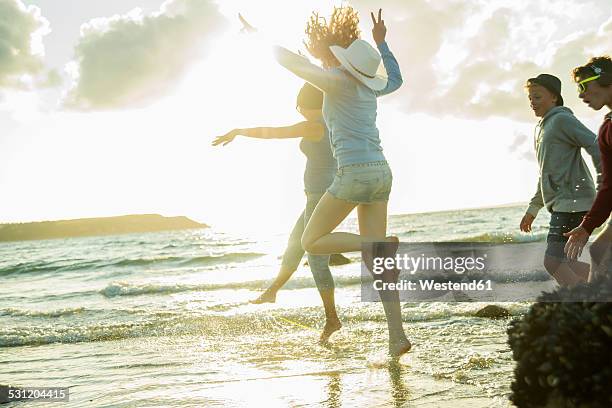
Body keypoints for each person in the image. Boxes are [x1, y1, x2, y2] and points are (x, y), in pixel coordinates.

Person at [273, 7, 411, 357]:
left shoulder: (333, 82)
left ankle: (372, 244)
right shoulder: (370, 87)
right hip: (382, 172)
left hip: (353, 173)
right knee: (379, 264)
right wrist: (382, 44)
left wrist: (260, 39)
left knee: (312, 240)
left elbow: (293, 64)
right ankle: (397, 337)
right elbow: (395, 78)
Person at [212, 83, 342, 343]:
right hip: (319, 195)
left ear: (306, 105)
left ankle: (331, 319)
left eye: (299, 106)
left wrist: (239, 131)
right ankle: (273, 291)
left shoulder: (314, 125)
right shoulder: (333, 120)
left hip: (320, 197)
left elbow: (274, 133)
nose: (299, 111)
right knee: (294, 246)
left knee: (316, 261)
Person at [519, 73, 601, 286]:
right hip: (563, 204)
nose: (532, 103)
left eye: (537, 97)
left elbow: (594, 143)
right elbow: (545, 172)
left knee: (553, 262)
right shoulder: (542, 129)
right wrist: (533, 208)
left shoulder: (562, 120)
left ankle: (586, 304)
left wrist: (604, 179)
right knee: (568, 262)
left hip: (574, 201)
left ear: (554, 97)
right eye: (530, 99)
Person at [564, 57, 612, 281]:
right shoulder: (606, 130)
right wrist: (586, 227)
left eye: (584, 86)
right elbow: (609, 186)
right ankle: (592, 313)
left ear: (605, 79)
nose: (581, 95)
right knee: (598, 251)